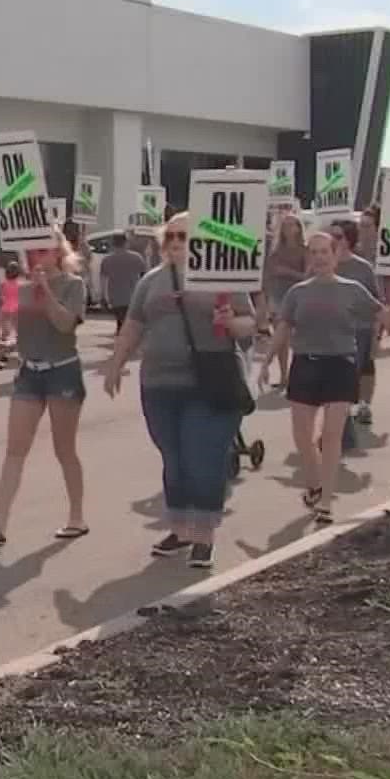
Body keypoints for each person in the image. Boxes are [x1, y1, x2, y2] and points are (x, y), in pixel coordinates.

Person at [105, 212, 256, 570]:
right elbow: (134, 324)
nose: (175, 242)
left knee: (201, 456)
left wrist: (230, 323)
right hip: (159, 384)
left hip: (209, 384)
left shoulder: (223, 277)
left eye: (183, 237)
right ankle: (180, 529)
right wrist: (116, 363)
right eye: (170, 235)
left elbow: (250, 323)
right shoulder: (151, 282)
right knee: (173, 457)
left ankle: (203, 535)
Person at [0, 240, 88, 545]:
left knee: (65, 450)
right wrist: (7, 345)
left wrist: (45, 291)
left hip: (62, 371)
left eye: (44, 250)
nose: (37, 256)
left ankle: (77, 517)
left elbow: (64, 326)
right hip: (29, 373)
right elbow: (25, 334)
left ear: (59, 253)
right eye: (32, 251)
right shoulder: (21, 290)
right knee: (15, 449)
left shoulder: (74, 286)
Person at [275, 231, 383, 525]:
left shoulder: (352, 289)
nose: (320, 257)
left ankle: (325, 502)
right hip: (306, 364)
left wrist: (381, 334)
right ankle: (315, 483)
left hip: (340, 364)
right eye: (315, 252)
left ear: (335, 256)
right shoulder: (297, 292)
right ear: (309, 256)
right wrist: (268, 362)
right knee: (302, 436)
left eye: (326, 252)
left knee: (332, 435)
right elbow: (284, 326)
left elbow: (379, 313)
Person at [330, 220, 383, 430]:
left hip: (360, 328)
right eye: (331, 235)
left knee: (361, 368)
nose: (333, 240)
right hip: (331, 331)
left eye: (338, 236)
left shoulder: (363, 268)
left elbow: (376, 301)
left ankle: (362, 406)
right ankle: (341, 417)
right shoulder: (323, 265)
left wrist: (377, 334)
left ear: (349, 240)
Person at [262, 212, 309, 389]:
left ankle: (299, 374)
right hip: (277, 294)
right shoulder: (275, 251)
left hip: (297, 296)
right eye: (286, 225)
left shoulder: (304, 250)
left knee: (297, 338)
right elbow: (270, 272)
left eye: (293, 225)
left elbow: (307, 275)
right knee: (281, 338)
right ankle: (284, 376)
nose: (290, 229)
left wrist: (288, 272)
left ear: (299, 228)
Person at [96, 237, 147, 335]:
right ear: (126, 244)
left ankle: (121, 337)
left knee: (122, 321)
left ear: (113, 245)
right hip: (133, 296)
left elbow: (103, 280)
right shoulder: (137, 257)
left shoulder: (107, 260)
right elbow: (144, 277)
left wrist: (103, 297)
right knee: (129, 323)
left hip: (115, 298)